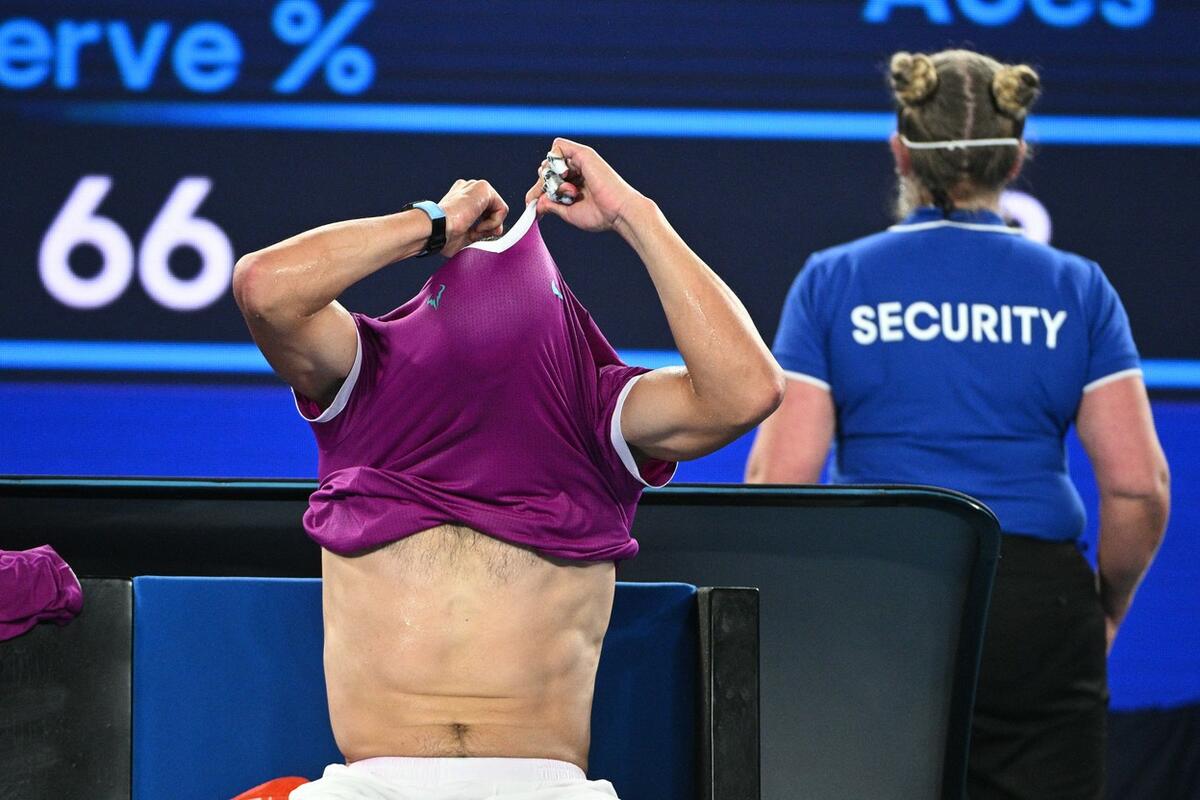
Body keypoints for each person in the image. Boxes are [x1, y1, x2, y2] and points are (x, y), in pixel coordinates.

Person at [232, 137, 784, 799]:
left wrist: (634, 213)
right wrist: (433, 222)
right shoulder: (363, 379)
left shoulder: (598, 409)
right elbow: (266, 290)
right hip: (369, 787)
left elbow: (747, 391)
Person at [745, 50, 1170, 799]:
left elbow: (780, 481)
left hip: (878, 593)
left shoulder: (832, 280)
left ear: (902, 150)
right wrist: (1104, 604)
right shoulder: (1078, 287)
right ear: (1017, 156)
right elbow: (1139, 487)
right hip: (1038, 606)